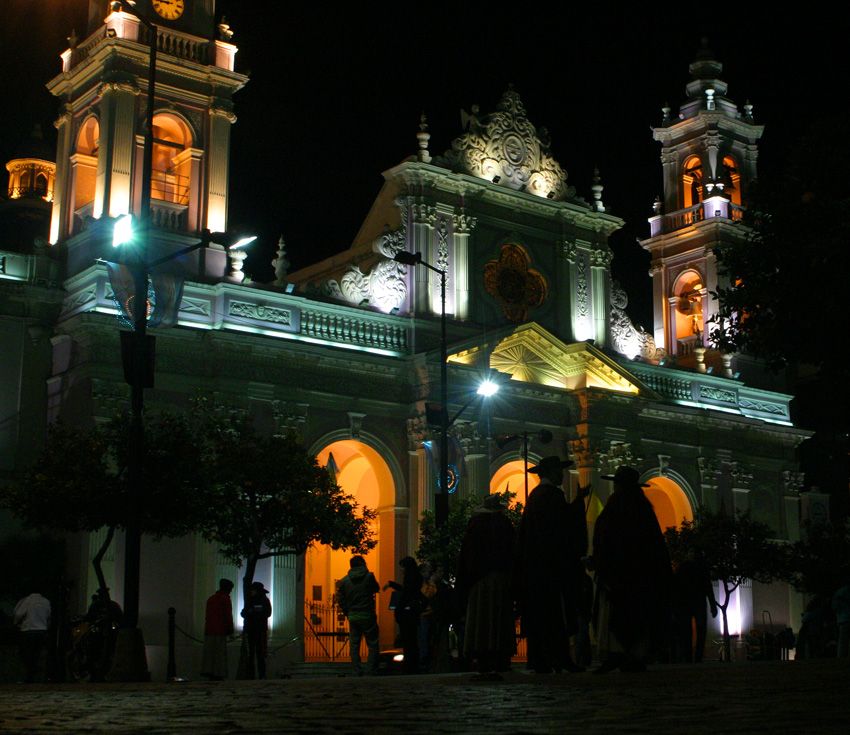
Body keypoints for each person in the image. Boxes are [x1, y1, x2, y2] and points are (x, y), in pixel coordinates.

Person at [591, 465, 672, 673]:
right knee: (638, 615)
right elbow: (655, 544)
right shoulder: (644, 509)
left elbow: (603, 537)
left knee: (616, 615)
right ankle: (635, 654)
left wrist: (600, 562)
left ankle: (618, 653)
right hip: (641, 575)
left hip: (618, 573)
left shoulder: (615, 506)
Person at [515, 455, 587, 673]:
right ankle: (559, 658)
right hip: (551, 569)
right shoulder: (552, 495)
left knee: (541, 616)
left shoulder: (535, 496)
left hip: (536, 569)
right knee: (556, 616)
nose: (563, 475)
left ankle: (540, 660)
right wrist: (577, 503)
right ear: (552, 472)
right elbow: (562, 528)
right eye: (560, 471)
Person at [457, 493, 516, 677]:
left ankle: (482, 657)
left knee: (481, 619)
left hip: (479, 580)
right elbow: (513, 552)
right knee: (499, 619)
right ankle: (500, 657)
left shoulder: (475, 526)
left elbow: (466, 555)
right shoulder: (505, 525)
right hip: (500, 578)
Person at [337, 555, 380, 675]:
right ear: (363, 564)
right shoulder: (369, 577)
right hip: (367, 614)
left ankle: (357, 669)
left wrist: (347, 611)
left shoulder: (344, 581)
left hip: (353, 616)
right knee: (372, 643)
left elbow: (340, 599)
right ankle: (371, 669)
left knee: (354, 644)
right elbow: (376, 588)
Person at [670, 555, 717, 663]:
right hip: (697, 602)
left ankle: (688, 657)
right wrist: (713, 605)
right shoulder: (701, 569)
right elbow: (708, 587)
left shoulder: (682, 569)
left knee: (686, 632)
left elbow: (674, 588)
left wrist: (674, 607)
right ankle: (697, 657)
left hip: (684, 604)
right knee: (700, 630)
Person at [385, 557, 423, 674]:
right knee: (412, 640)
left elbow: (406, 593)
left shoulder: (410, 579)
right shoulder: (416, 577)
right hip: (412, 612)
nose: (401, 570)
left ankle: (410, 666)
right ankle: (413, 665)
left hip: (407, 613)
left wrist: (399, 610)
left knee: (408, 640)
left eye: (402, 567)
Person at [85, 588, 123, 682]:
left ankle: (102, 673)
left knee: (107, 654)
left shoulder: (112, 606)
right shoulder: (96, 605)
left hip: (109, 634)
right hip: (97, 634)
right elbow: (90, 618)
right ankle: (94, 674)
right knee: (94, 654)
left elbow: (119, 619)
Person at [13, 591, 51, 683]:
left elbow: (18, 614)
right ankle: (38, 675)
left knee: (27, 653)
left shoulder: (27, 600)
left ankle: (29, 675)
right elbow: (48, 615)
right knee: (38, 653)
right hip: (42, 630)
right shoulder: (46, 601)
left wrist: (16, 623)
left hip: (29, 629)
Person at [201, 578, 234, 680]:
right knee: (219, 655)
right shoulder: (225, 599)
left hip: (209, 630)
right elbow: (228, 616)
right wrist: (230, 630)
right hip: (220, 631)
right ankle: (218, 673)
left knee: (210, 654)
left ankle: (209, 672)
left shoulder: (211, 599)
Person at [241, 581, 272, 679]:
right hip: (253, 630)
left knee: (259, 653)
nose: (251, 592)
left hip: (259, 630)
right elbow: (243, 613)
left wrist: (253, 612)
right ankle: (253, 674)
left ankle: (260, 674)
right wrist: (250, 612)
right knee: (253, 654)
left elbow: (267, 613)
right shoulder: (250, 600)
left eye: (253, 590)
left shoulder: (264, 600)